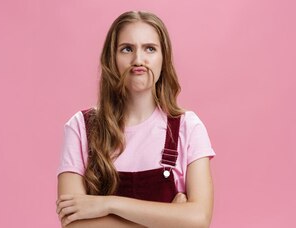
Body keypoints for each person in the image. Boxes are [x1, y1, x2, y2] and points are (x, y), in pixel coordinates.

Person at [56, 10, 215, 228]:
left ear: (163, 58)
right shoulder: (81, 127)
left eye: (150, 48)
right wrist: (170, 219)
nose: (138, 59)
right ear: (112, 58)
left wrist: (108, 205)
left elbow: (198, 219)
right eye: (127, 49)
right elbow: (73, 224)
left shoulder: (188, 127)